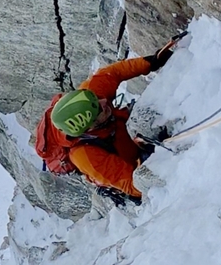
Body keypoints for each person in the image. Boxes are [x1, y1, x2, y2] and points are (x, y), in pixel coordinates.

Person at [46, 49, 172, 199]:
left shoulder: (89, 97)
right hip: (131, 161)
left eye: (96, 100)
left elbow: (113, 73)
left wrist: (149, 62)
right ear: (90, 127)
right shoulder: (85, 156)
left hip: (125, 131)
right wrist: (158, 177)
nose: (103, 101)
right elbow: (130, 184)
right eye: (99, 109)